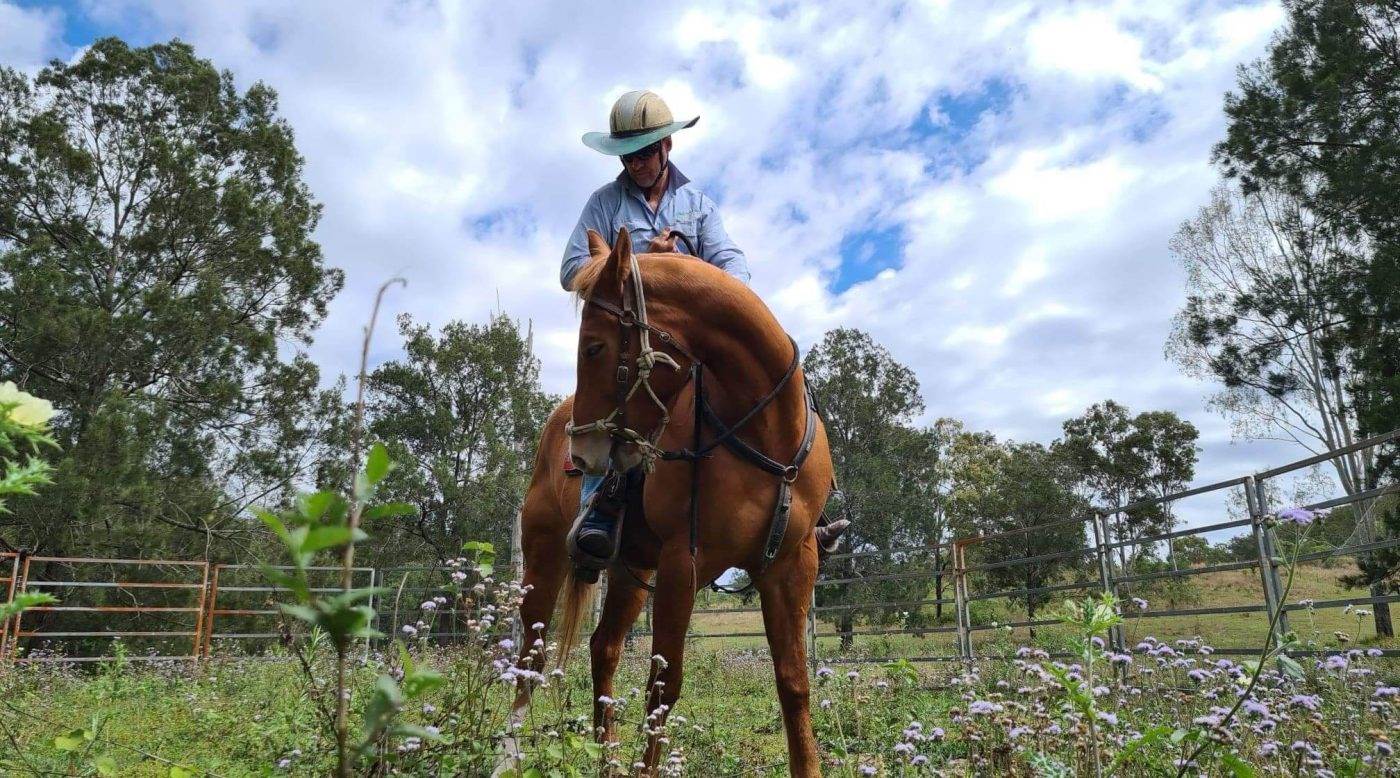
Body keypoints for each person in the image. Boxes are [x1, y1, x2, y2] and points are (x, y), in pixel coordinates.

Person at [562, 89, 751, 564]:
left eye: (645, 152)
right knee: (615, 401)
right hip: (635, 343)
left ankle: (806, 505)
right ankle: (597, 513)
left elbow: (733, 266)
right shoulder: (603, 203)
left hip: (693, 342)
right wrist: (646, 264)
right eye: (626, 155)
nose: (636, 164)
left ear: (668, 146)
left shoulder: (699, 203)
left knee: (773, 373)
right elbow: (571, 270)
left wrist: (687, 268)